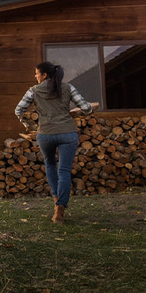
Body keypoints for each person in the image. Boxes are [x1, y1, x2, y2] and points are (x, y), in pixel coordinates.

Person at [14, 62, 93, 223]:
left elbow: (18, 110)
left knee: (50, 164)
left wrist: (29, 125)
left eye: (37, 73)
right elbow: (85, 107)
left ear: (44, 75)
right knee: (64, 170)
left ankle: (56, 201)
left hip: (45, 134)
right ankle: (60, 208)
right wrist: (87, 111)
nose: (35, 76)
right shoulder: (68, 87)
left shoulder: (34, 91)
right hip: (67, 133)